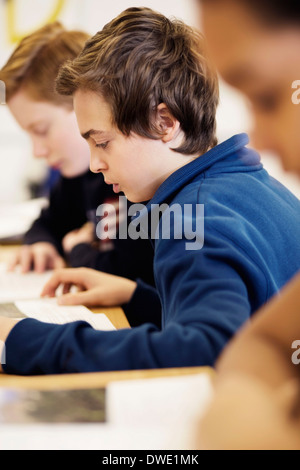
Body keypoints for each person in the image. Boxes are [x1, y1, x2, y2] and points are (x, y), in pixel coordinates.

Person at [0, 7, 300, 376]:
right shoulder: (245, 183)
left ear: (165, 123)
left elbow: (206, 349)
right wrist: (137, 297)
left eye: (103, 143)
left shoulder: (188, 220)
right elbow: (239, 322)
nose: (94, 164)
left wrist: (22, 340)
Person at [194, 0, 300, 449]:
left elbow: (208, 342)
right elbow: (266, 343)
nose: (263, 140)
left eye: (268, 97)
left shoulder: (196, 213)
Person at [0, 22, 155, 287]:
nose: (38, 151)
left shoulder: (135, 177)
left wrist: (77, 248)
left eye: (42, 130)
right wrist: (41, 242)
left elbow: (131, 273)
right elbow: (49, 221)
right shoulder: (77, 175)